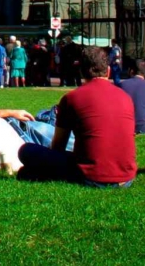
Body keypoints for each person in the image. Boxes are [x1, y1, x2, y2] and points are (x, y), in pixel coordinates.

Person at [15, 46, 136, 187]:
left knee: (26, 151)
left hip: (90, 175)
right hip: (126, 178)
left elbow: (58, 146)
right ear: (108, 71)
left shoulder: (72, 98)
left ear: (81, 71)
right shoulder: (125, 97)